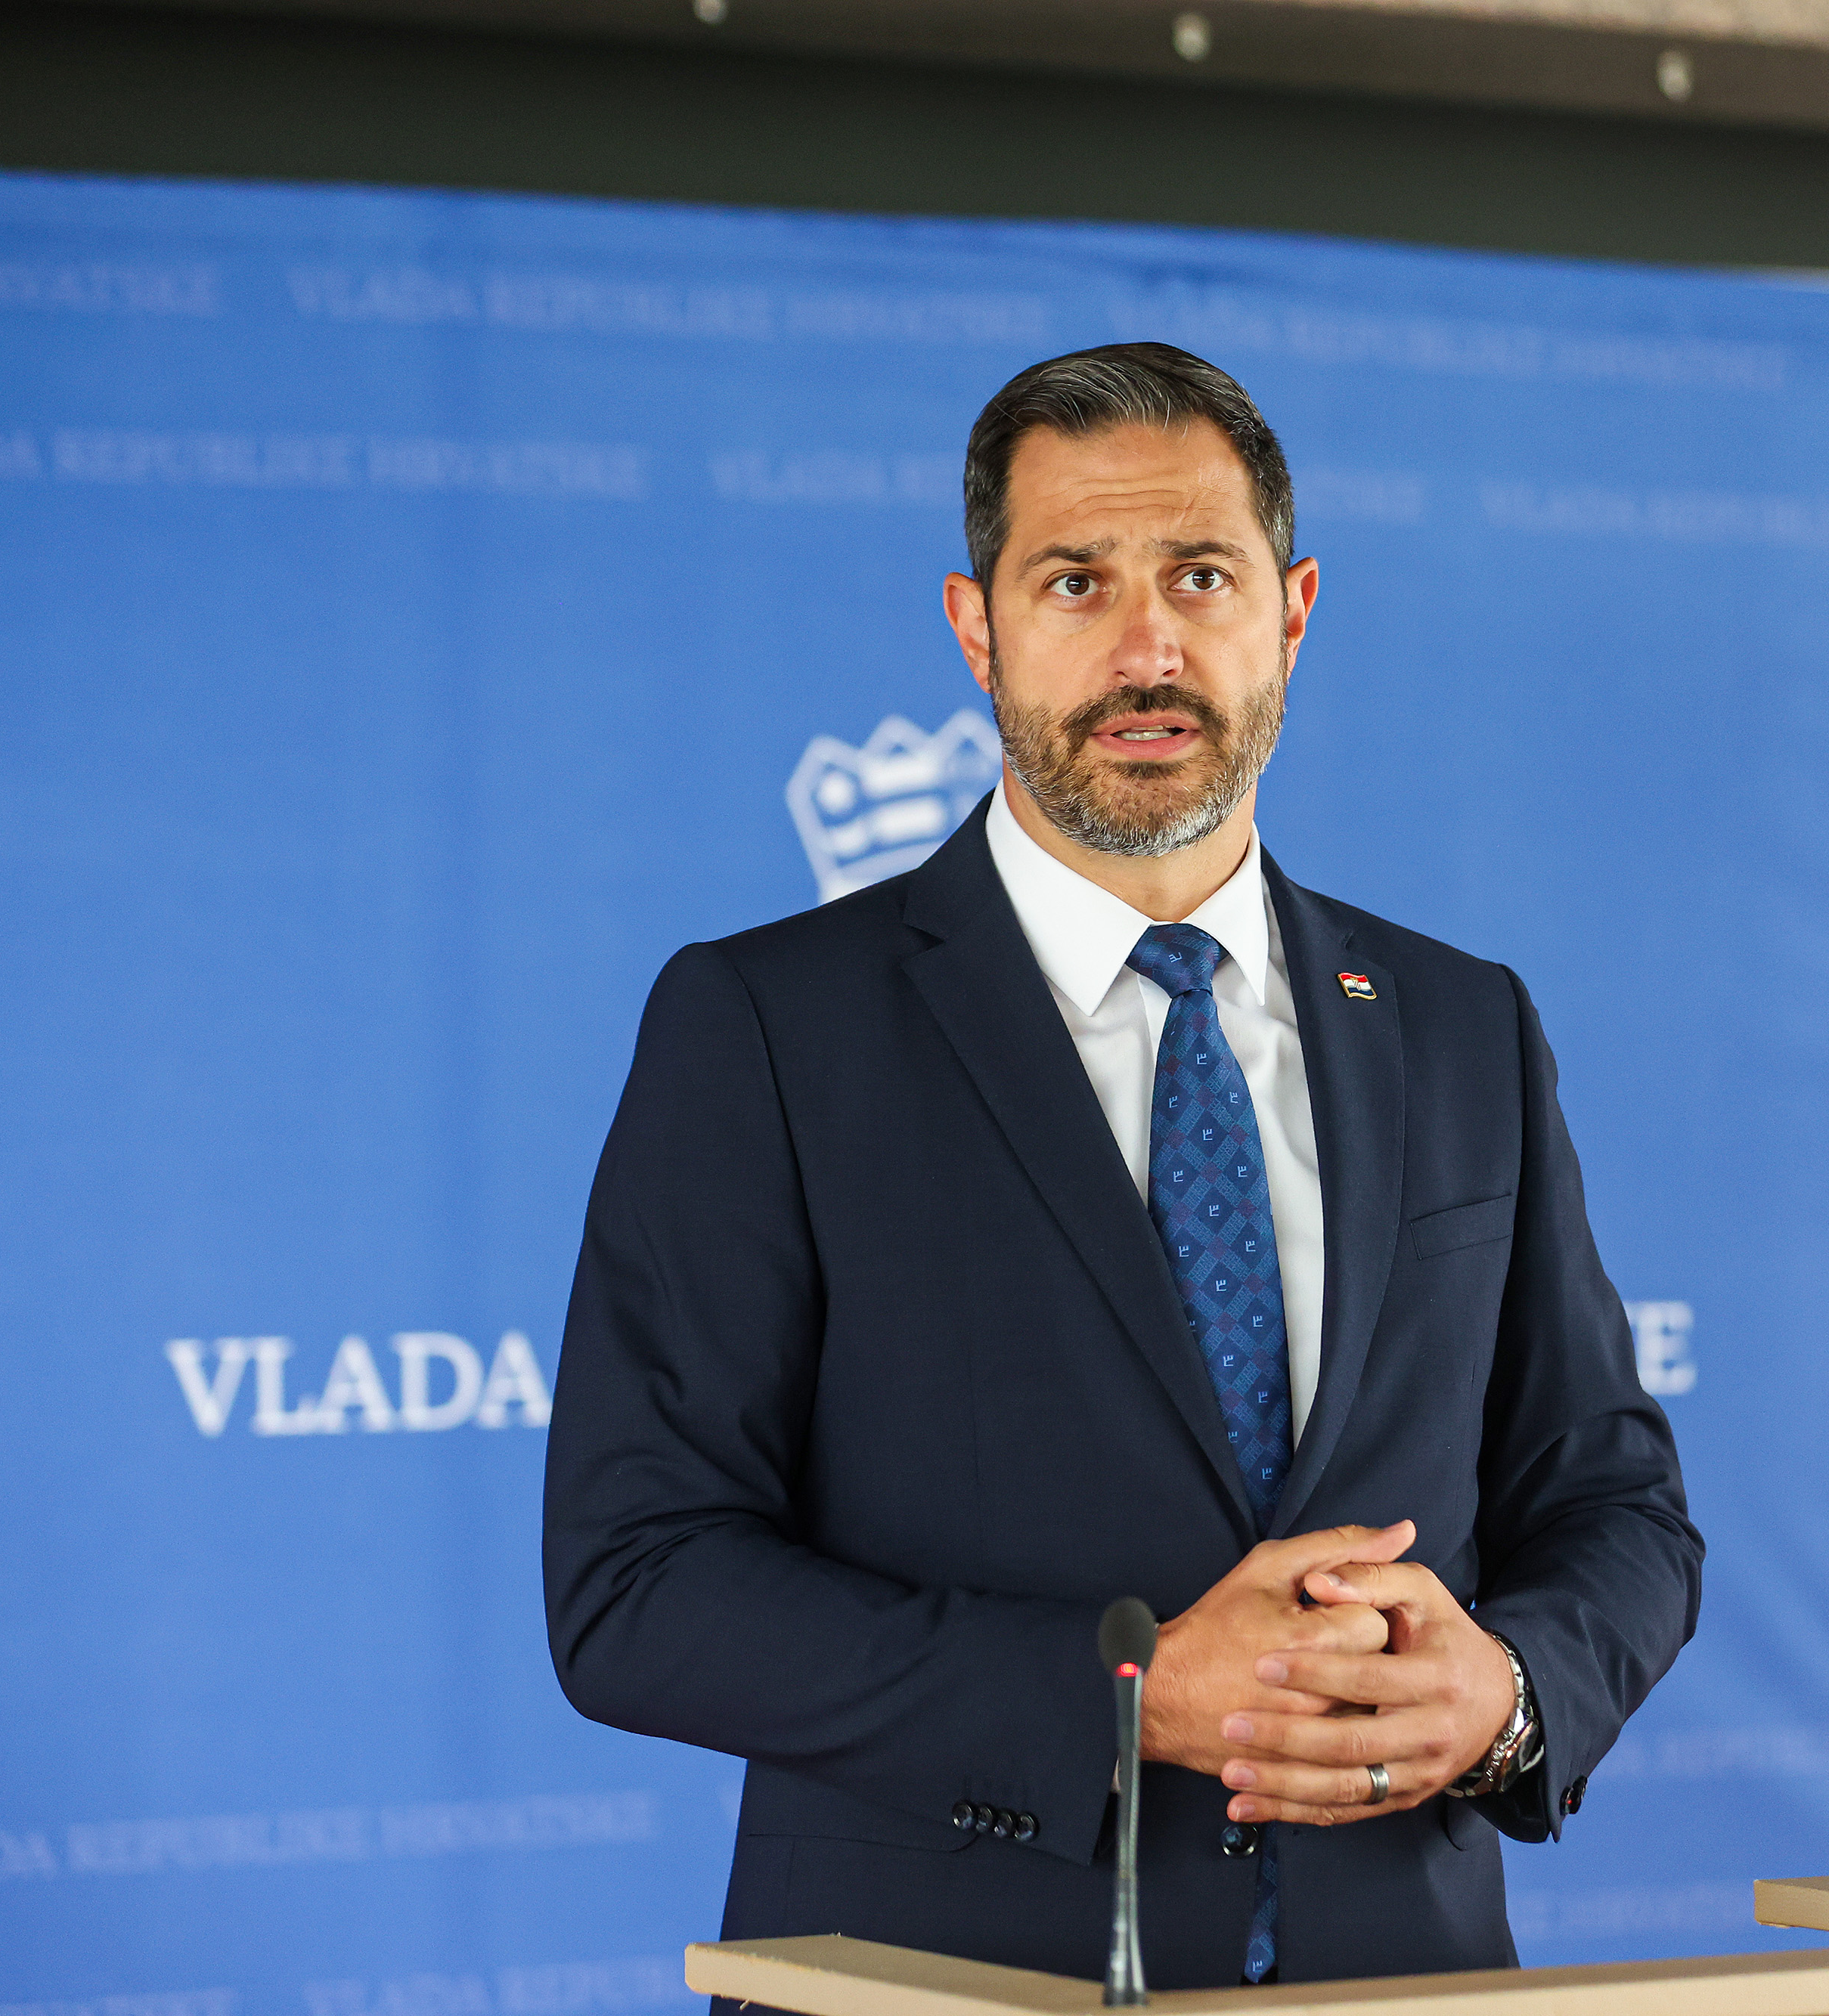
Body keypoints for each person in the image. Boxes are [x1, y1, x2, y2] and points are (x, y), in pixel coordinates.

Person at [543, 342, 1700, 1990]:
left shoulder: (1461, 1025)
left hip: (1404, 1972)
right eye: (1074, 579)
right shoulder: (767, 1026)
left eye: (1201, 575)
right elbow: (635, 1582)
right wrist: (1127, 1690)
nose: (1146, 645)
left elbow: (1613, 1506)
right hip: (953, 1975)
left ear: (1291, 609)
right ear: (976, 626)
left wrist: (1508, 1694)